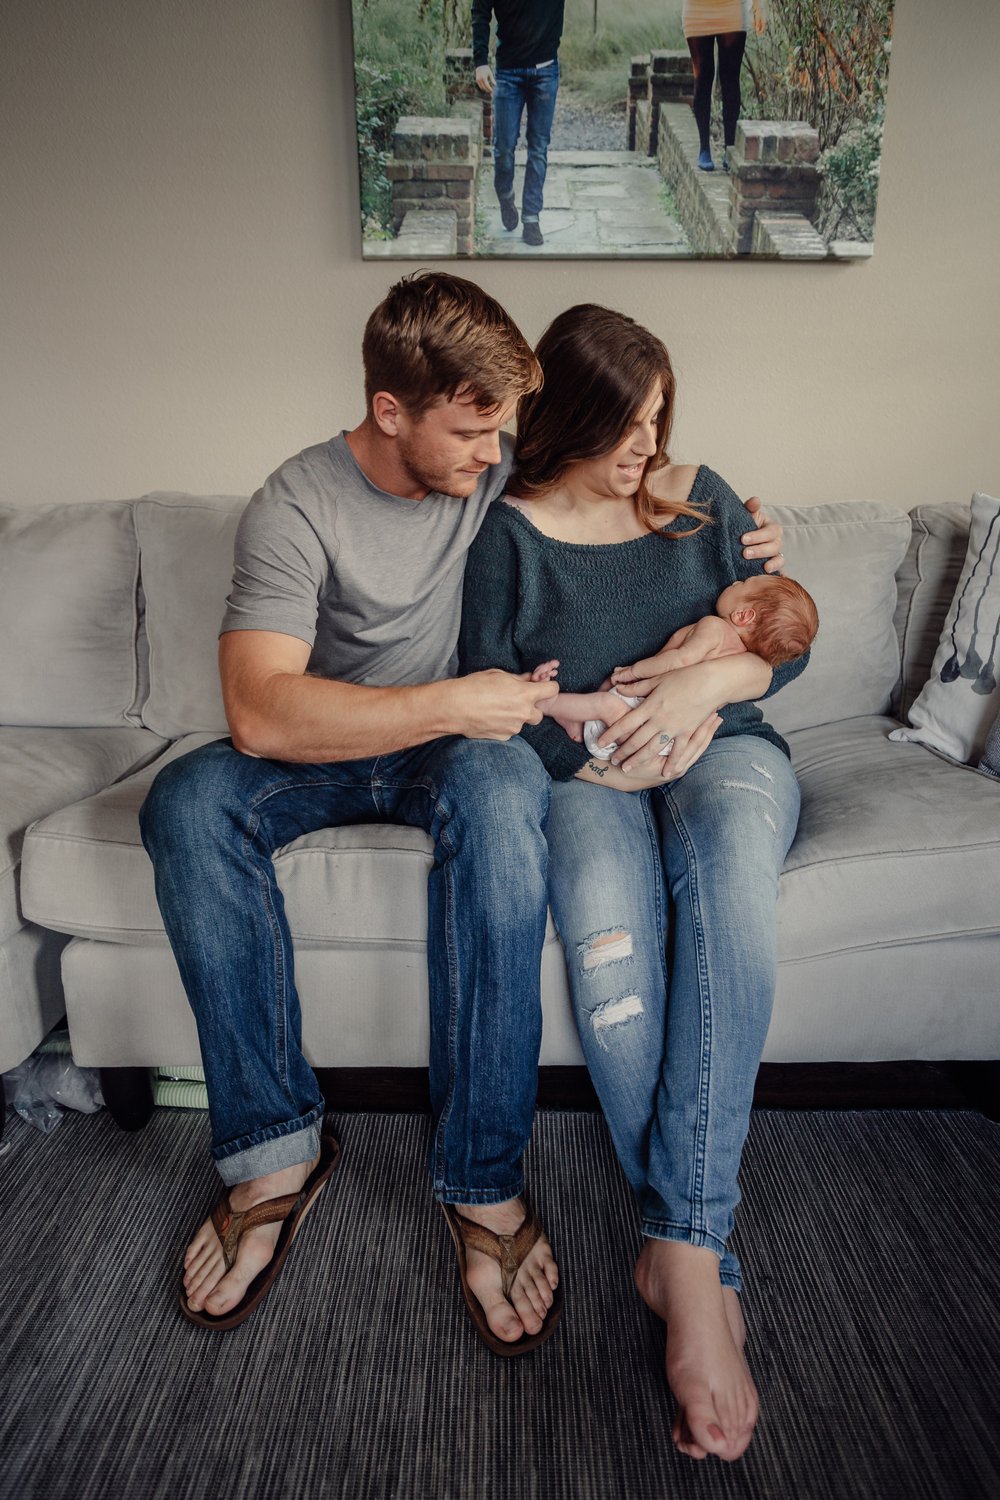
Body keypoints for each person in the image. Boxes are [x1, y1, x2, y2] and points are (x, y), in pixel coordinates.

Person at [138, 271, 567, 1350]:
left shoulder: (498, 458)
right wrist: (448, 701)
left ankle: (480, 1175)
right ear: (390, 411)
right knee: (188, 800)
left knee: (508, 787)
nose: (491, 454)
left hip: (452, 759)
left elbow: (632, 470)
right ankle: (276, 1147)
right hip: (330, 753)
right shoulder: (294, 502)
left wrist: (734, 532)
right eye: (472, 430)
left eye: (500, 428)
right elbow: (260, 713)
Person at [458, 302, 806, 1460]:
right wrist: (599, 742)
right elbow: (489, 702)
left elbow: (781, 637)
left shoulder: (702, 496)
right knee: (609, 949)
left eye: (658, 418)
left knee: (730, 904)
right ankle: (691, 1256)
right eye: (623, 424)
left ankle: (684, 1256)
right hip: (585, 783)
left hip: (729, 756)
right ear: (563, 417)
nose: (645, 448)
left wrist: (706, 690)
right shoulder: (504, 534)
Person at [531, 572, 818, 756]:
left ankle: (541, 701)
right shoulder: (743, 657)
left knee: (607, 701)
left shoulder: (714, 628)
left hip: (647, 718)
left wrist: (632, 671)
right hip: (674, 741)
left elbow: (680, 660)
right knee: (605, 698)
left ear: (743, 615)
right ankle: (575, 721)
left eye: (743, 584)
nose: (734, 581)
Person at [472, 0, 565, 247]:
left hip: (546, 72)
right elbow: (480, 11)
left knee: (538, 147)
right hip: (508, 72)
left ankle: (531, 219)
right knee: (503, 149)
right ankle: (505, 195)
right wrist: (480, 61)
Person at [682, 1, 750, 172]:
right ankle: (704, 148)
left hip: (731, 7)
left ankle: (729, 148)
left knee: (730, 79)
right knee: (703, 77)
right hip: (697, 8)